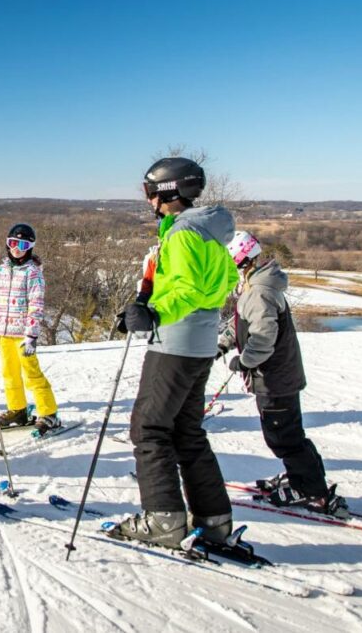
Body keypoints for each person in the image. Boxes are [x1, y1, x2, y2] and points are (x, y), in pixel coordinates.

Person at [111, 157, 239, 548]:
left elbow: (185, 289)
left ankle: (163, 520)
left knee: (148, 429)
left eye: (149, 191)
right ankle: (214, 520)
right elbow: (227, 280)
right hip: (198, 344)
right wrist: (146, 305)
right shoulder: (207, 233)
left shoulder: (182, 234)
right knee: (187, 431)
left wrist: (152, 313)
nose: (147, 199)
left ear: (166, 192)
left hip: (175, 343)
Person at [219, 231, 348, 516]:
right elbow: (242, 320)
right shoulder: (258, 287)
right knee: (289, 432)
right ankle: (304, 479)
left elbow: (263, 338)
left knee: (283, 436)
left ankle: (312, 491)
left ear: (240, 262)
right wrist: (223, 342)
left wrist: (244, 362)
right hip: (280, 375)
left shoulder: (259, 292)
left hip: (274, 377)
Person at [0, 224, 60, 435]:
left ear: (30, 247)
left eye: (22, 244)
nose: (16, 248)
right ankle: (17, 409)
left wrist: (31, 335)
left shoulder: (33, 272)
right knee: (9, 374)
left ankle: (49, 412)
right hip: (3, 332)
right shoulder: (0, 270)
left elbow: (37, 305)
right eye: (12, 243)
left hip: (22, 335)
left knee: (31, 374)